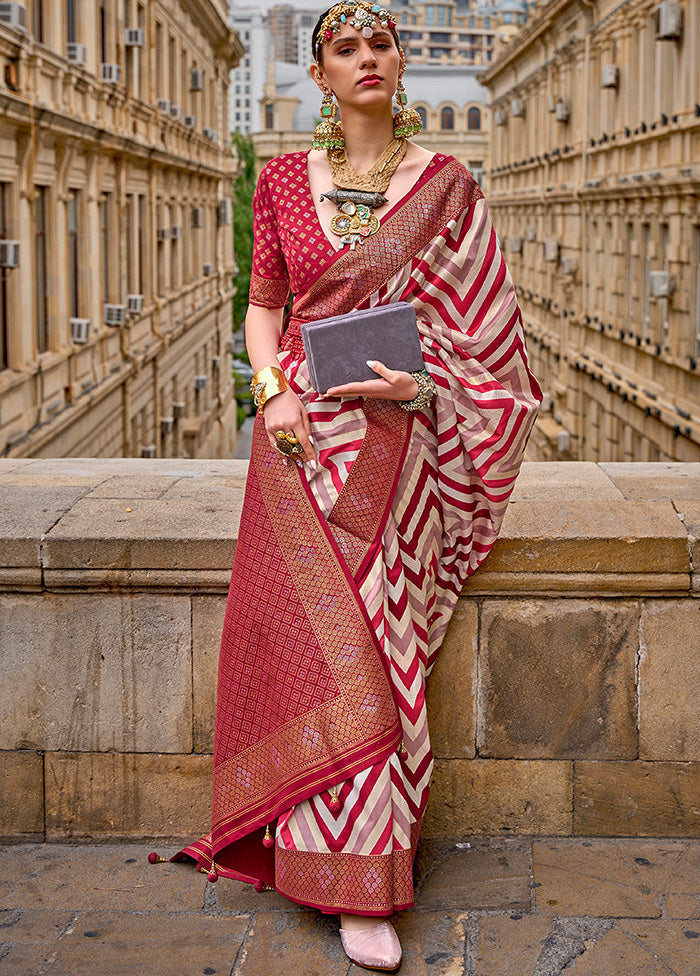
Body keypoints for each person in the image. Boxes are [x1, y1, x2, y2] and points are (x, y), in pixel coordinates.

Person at [165, 2, 542, 970]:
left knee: (384, 648)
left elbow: (486, 328)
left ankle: (370, 873)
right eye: (344, 48)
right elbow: (262, 307)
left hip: (401, 447)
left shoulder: (449, 184)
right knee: (312, 648)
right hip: (297, 448)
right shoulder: (285, 179)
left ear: (400, 65)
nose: (366, 58)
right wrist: (273, 393)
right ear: (319, 77)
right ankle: (320, 861)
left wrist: (426, 386)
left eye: (380, 44)